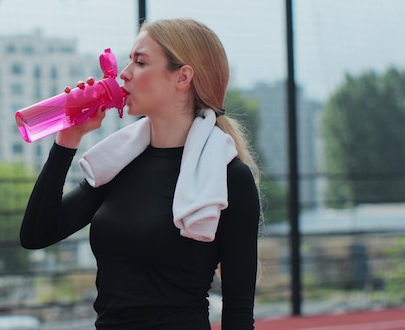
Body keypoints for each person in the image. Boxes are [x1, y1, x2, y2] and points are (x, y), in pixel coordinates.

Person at [19, 18, 261, 330]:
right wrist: (68, 141)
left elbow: (238, 312)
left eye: (140, 61)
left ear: (182, 77)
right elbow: (37, 234)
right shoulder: (118, 163)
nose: (124, 73)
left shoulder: (228, 177)